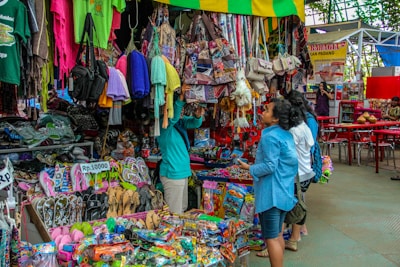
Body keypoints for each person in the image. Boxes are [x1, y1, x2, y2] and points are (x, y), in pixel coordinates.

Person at [237, 98, 298, 267]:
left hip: (272, 194)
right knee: (277, 234)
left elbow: (270, 166)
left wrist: (249, 168)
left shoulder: (270, 137)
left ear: (276, 118)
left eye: (267, 110)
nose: (263, 112)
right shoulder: (286, 135)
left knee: (271, 238)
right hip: (283, 192)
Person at [156, 84, 205, 214]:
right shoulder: (164, 125)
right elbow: (174, 117)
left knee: (181, 210)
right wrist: (181, 98)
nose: (182, 111)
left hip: (181, 173)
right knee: (174, 213)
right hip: (173, 174)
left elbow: (195, 123)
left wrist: (198, 115)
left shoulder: (179, 124)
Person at [284, 90, 318, 252]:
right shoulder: (305, 126)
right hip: (306, 173)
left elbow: (287, 154)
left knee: (290, 205)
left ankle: (291, 238)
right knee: (299, 204)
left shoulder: (292, 131)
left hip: (296, 175)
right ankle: (294, 235)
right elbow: (311, 145)